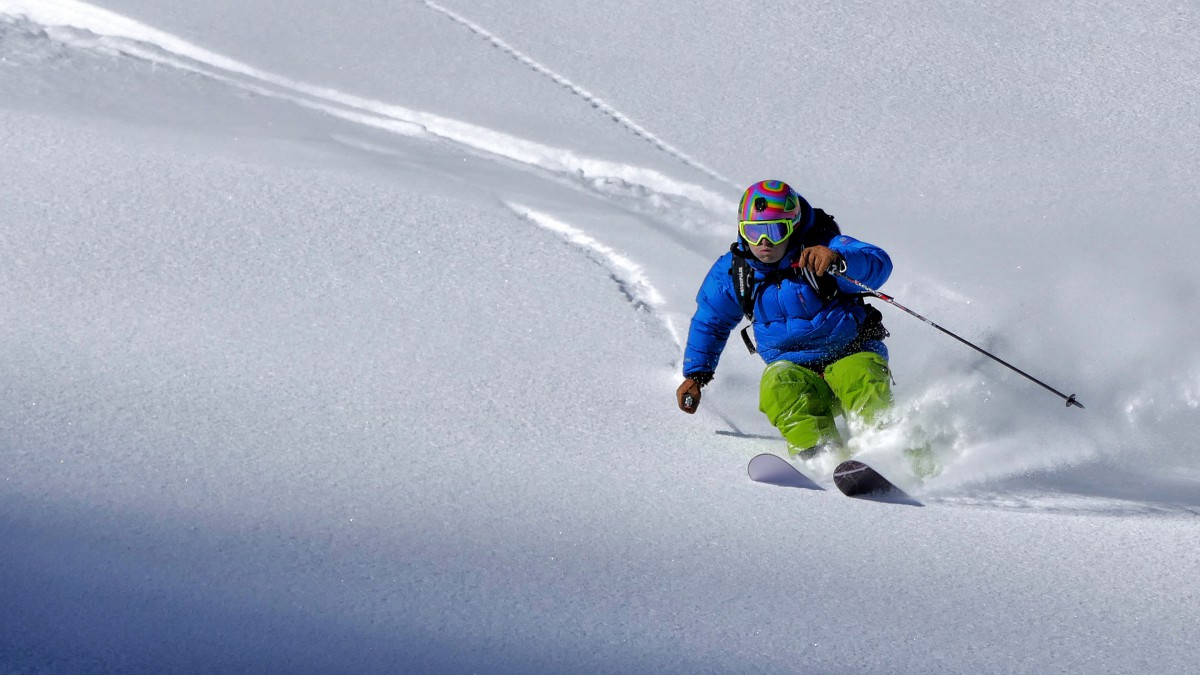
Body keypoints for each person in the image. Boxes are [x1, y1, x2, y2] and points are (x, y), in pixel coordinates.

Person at [675, 179, 895, 459]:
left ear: (792, 227)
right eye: (753, 232)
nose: (763, 242)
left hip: (850, 352)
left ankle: (888, 451)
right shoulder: (734, 273)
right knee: (777, 386)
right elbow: (711, 320)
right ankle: (821, 456)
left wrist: (840, 260)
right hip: (795, 369)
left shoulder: (823, 248)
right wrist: (697, 374)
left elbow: (878, 262)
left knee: (861, 378)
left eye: (775, 231)